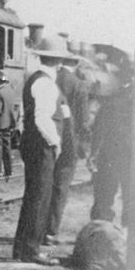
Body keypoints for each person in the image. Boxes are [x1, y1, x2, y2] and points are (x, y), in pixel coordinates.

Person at [12, 39, 69, 266]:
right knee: (40, 197)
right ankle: (31, 250)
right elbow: (42, 118)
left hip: (32, 143)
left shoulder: (35, 79)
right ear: (58, 60)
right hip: (41, 145)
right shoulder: (46, 84)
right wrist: (55, 143)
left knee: (33, 196)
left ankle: (22, 248)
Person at [45, 57, 91, 244]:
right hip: (68, 143)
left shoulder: (48, 79)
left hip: (47, 139)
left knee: (44, 184)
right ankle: (50, 231)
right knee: (60, 187)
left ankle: (37, 228)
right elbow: (83, 122)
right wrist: (84, 147)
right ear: (77, 64)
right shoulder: (78, 85)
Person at [89, 67, 133, 226]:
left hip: (110, 154)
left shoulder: (113, 99)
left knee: (104, 196)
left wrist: (93, 154)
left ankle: (100, 231)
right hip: (132, 155)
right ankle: (128, 232)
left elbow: (99, 128)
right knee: (131, 197)